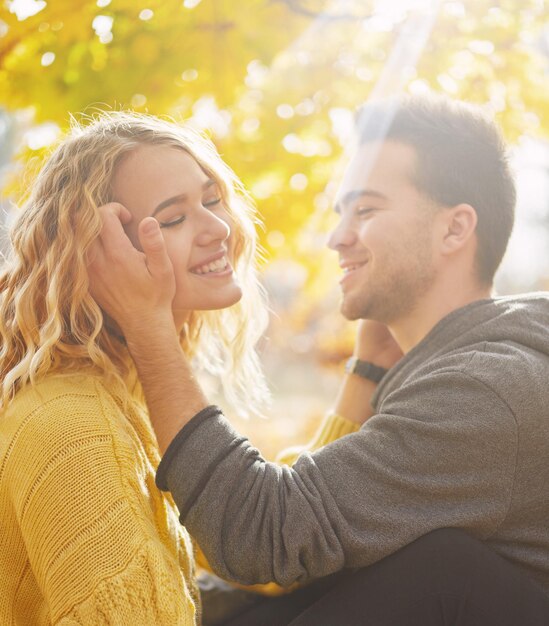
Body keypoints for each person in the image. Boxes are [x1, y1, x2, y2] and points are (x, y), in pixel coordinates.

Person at [89, 95, 549, 625]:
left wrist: (150, 332)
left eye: (367, 209)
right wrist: (369, 371)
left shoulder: (485, 392)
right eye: (340, 213)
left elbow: (261, 536)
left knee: (440, 566)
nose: (337, 238)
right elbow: (307, 548)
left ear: (454, 228)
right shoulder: (477, 364)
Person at [0, 111, 274, 624]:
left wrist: (367, 367)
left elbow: (255, 544)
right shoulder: (74, 425)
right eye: (173, 219)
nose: (218, 228)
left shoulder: (125, 393)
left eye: (212, 200)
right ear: (102, 253)